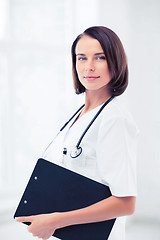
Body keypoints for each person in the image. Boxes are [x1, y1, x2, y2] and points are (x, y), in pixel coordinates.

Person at [16, 26, 139, 240]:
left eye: (99, 57)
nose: (89, 67)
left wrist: (55, 220)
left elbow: (126, 203)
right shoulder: (79, 114)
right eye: (81, 58)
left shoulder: (114, 119)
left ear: (115, 61)